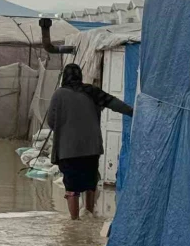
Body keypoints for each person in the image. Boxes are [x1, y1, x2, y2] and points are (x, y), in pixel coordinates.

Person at [47, 63, 133, 220]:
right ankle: (89, 214)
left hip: (68, 150)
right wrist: (134, 112)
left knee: (72, 187)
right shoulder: (92, 91)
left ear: (64, 78)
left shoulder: (58, 95)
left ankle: (74, 223)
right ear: (80, 76)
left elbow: (51, 122)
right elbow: (115, 104)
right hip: (91, 149)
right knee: (90, 182)